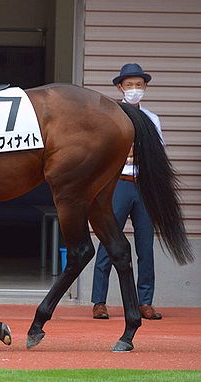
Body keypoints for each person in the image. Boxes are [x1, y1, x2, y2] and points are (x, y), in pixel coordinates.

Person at [91, 63, 163, 321]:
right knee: (109, 240)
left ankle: (145, 302)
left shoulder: (152, 120)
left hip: (143, 186)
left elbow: (158, 157)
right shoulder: (111, 116)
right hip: (117, 184)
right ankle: (99, 301)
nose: (134, 90)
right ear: (120, 87)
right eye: (129, 85)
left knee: (145, 245)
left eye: (139, 85)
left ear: (145, 87)